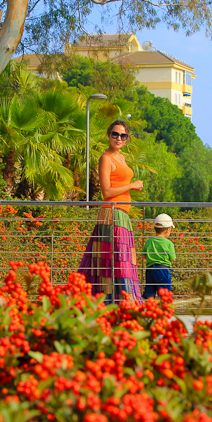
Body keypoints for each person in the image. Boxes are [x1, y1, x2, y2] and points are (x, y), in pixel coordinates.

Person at [78, 120, 143, 303]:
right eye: (115, 134)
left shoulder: (121, 157)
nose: (119, 138)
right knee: (113, 262)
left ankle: (120, 301)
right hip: (112, 214)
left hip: (122, 215)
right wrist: (131, 185)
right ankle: (112, 303)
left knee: (121, 260)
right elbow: (106, 191)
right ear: (109, 135)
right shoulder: (106, 158)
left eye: (123, 135)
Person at [142, 213, 176, 299]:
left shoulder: (149, 241)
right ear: (167, 230)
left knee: (150, 292)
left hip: (150, 270)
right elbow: (173, 259)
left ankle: (150, 310)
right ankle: (164, 311)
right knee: (165, 295)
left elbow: (144, 256)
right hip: (163, 270)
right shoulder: (169, 243)